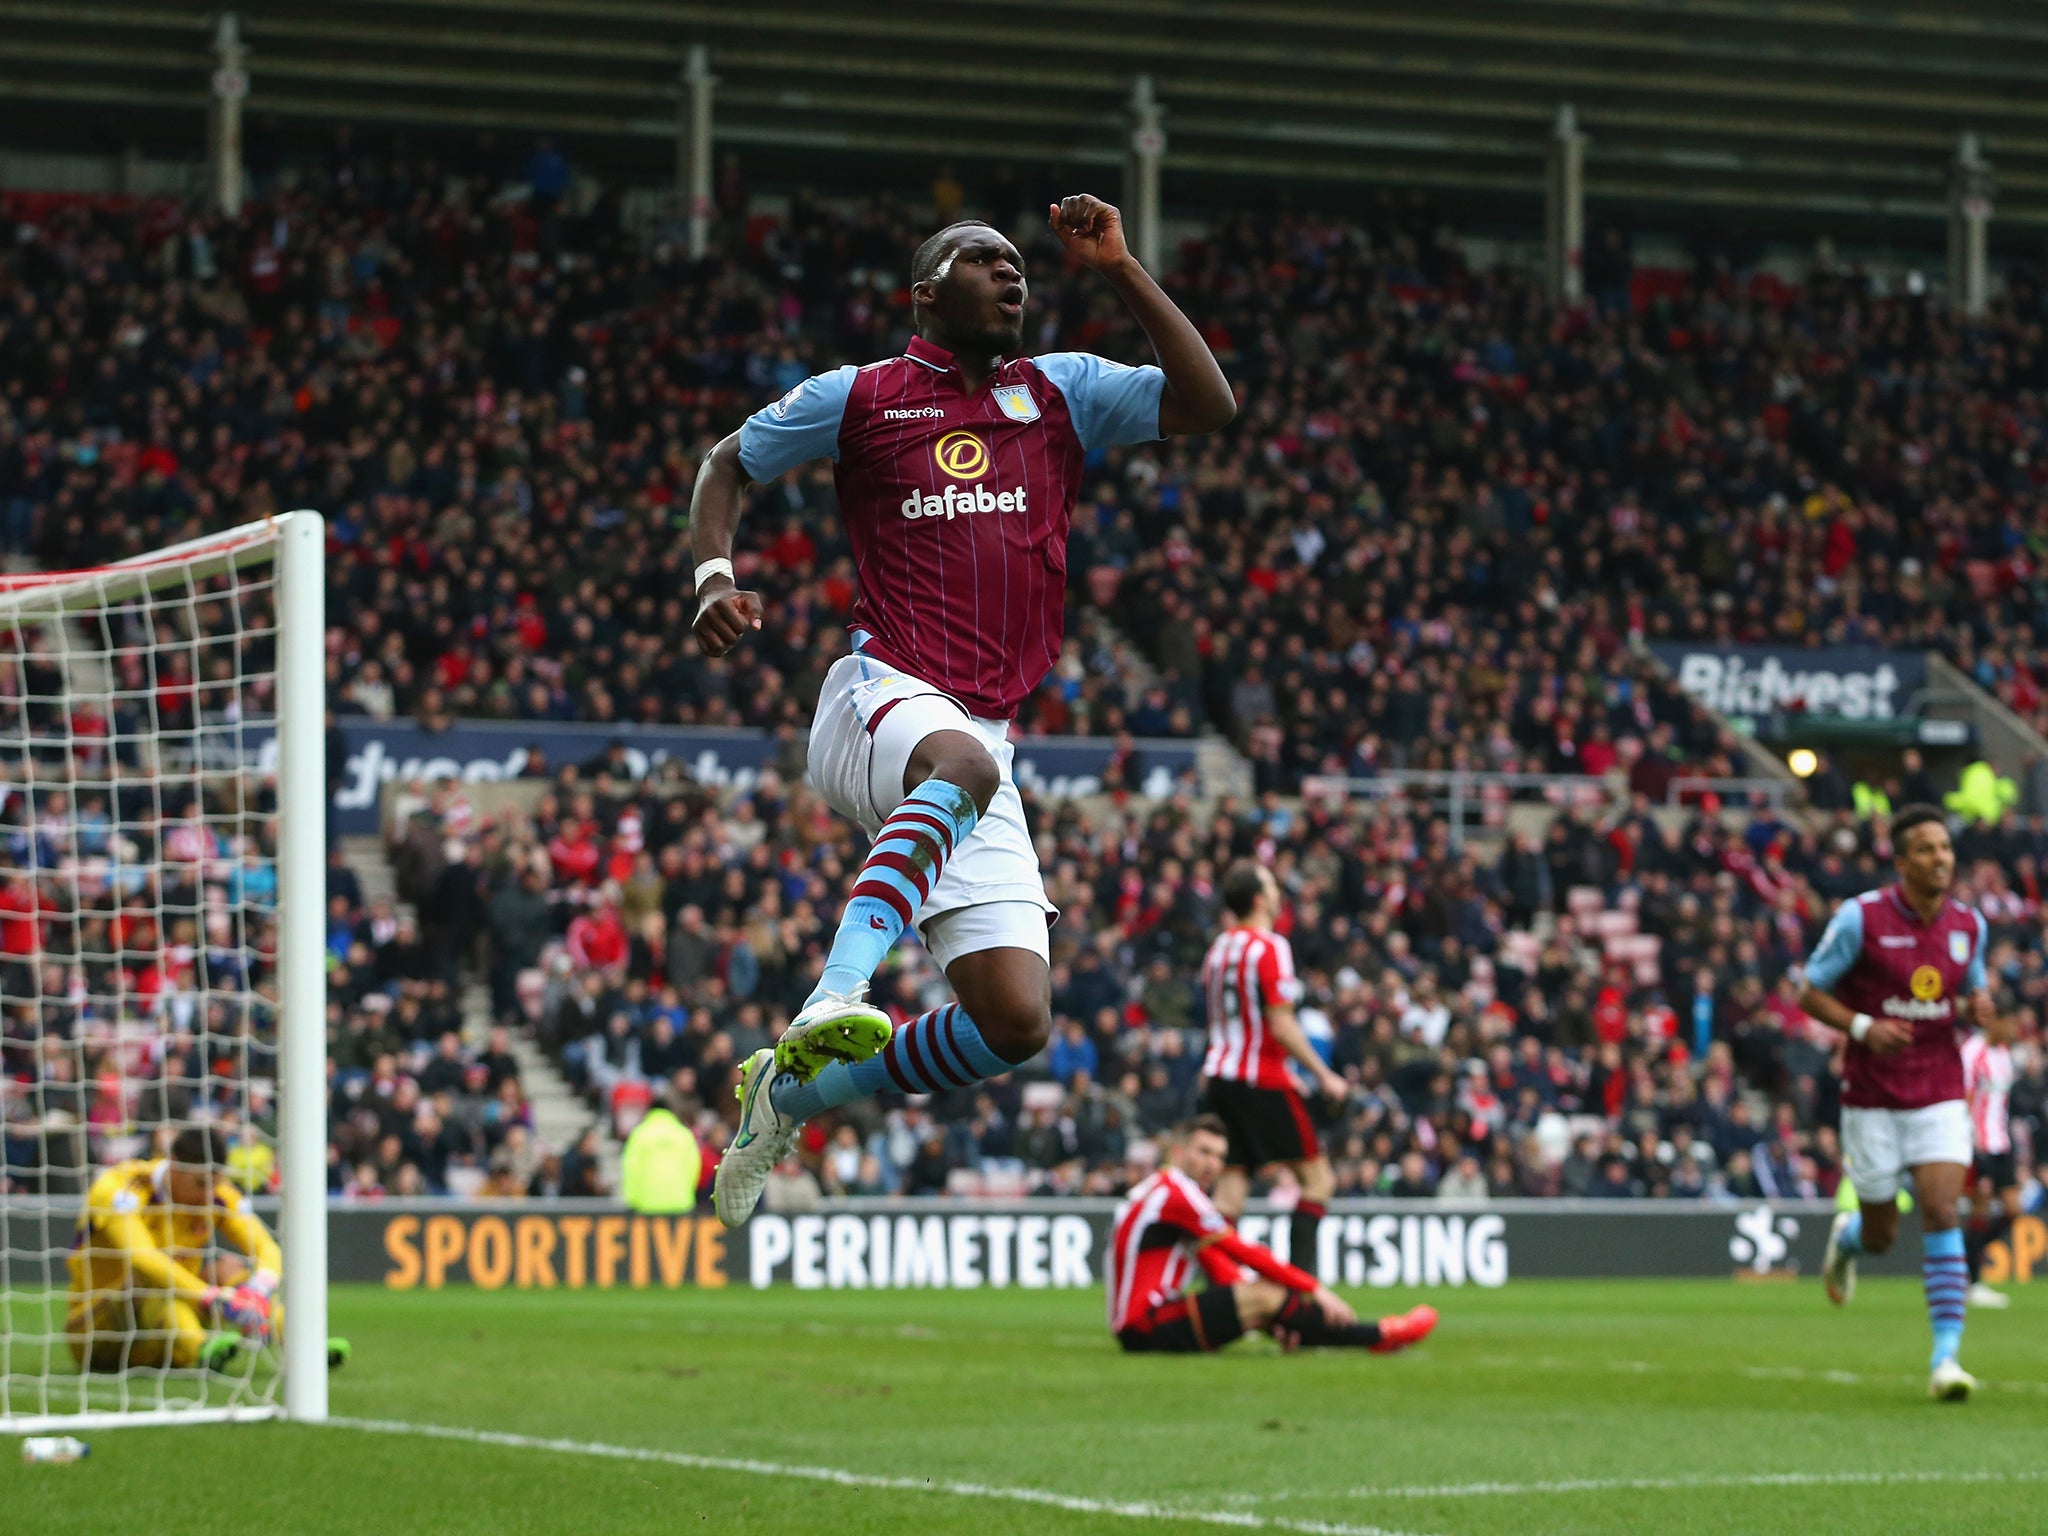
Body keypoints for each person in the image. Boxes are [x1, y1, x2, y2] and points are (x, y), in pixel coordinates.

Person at [693, 194, 1236, 1225]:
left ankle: (795, 1091)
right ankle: (834, 996)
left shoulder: (1061, 391)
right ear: (925, 293)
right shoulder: (860, 397)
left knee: (1013, 1022)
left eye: (1016, 263)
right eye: (982, 260)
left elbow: (1208, 405)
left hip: (980, 731)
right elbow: (726, 461)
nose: (1010, 271)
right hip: (877, 692)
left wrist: (1121, 269)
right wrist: (714, 579)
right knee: (964, 769)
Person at [1799, 805, 1993, 1402]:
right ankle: (1850, 1240)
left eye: (1946, 848)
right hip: (1873, 1095)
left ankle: (1945, 1360)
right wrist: (1861, 1027)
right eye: (1928, 849)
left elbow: (1970, 988)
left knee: (1941, 1210)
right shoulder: (1861, 918)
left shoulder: (1969, 925)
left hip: (1937, 1088)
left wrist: (1977, 1007)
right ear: (1902, 860)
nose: (1942, 858)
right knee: (1884, 1234)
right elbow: (1809, 991)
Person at [1105, 1115, 1437, 1356]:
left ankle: (1367, 1336)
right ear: (1179, 1152)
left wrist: (1270, 1316)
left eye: (1219, 1156)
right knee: (1265, 1294)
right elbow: (1242, 1251)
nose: (1212, 1164)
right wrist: (1314, 1289)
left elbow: (1216, 1262)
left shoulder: (1160, 1191)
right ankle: (1378, 1333)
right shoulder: (1179, 1192)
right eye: (1204, 1152)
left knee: (1263, 1298)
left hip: (1140, 1324)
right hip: (1147, 1324)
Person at [66, 1125, 348, 1374]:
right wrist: (209, 1297)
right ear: (175, 1166)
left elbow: (266, 1247)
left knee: (229, 1269)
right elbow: (143, 1259)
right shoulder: (120, 1188)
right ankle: (198, 1346)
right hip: (97, 1330)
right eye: (201, 1184)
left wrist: (259, 1289)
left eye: (214, 1185)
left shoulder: (217, 1194)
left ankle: (306, 1348)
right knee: (147, 1281)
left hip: (165, 1329)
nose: (207, 1196)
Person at [1196, 860, 1349, 1269]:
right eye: (1271, 884)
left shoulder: (1219, 949)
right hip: (1260, 1080)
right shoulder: (1270, 946)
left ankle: (1225, 1296)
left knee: (1228, 1194)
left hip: (1219, 1079)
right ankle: (1302, 1305)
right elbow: (1280, 1025)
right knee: (1318, 1182)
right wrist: (1323, 1075)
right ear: (1261, 900)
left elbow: (1228, 1024)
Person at [1959, 1009, 2020, 1310]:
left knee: (2013, 1209)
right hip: (1977, 1142)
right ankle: (1973, 1282)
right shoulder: (1972, 1052)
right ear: (1994, 1021)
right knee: (1979, 1208)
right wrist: (1971, 1140)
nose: (2014, 1029)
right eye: (2010, 1022)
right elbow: (1964, 1097)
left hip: (2002, 1143)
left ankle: (1967, 1255)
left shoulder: (2003, 1053)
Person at [620, 1096, 701, 1214]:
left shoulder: (639, 1133)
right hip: (680, 1202)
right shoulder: (684, 1134)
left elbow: (631, 1167)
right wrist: (687, 1192)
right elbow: (693, 1167)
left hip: (646, 1204)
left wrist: (632, 1200)